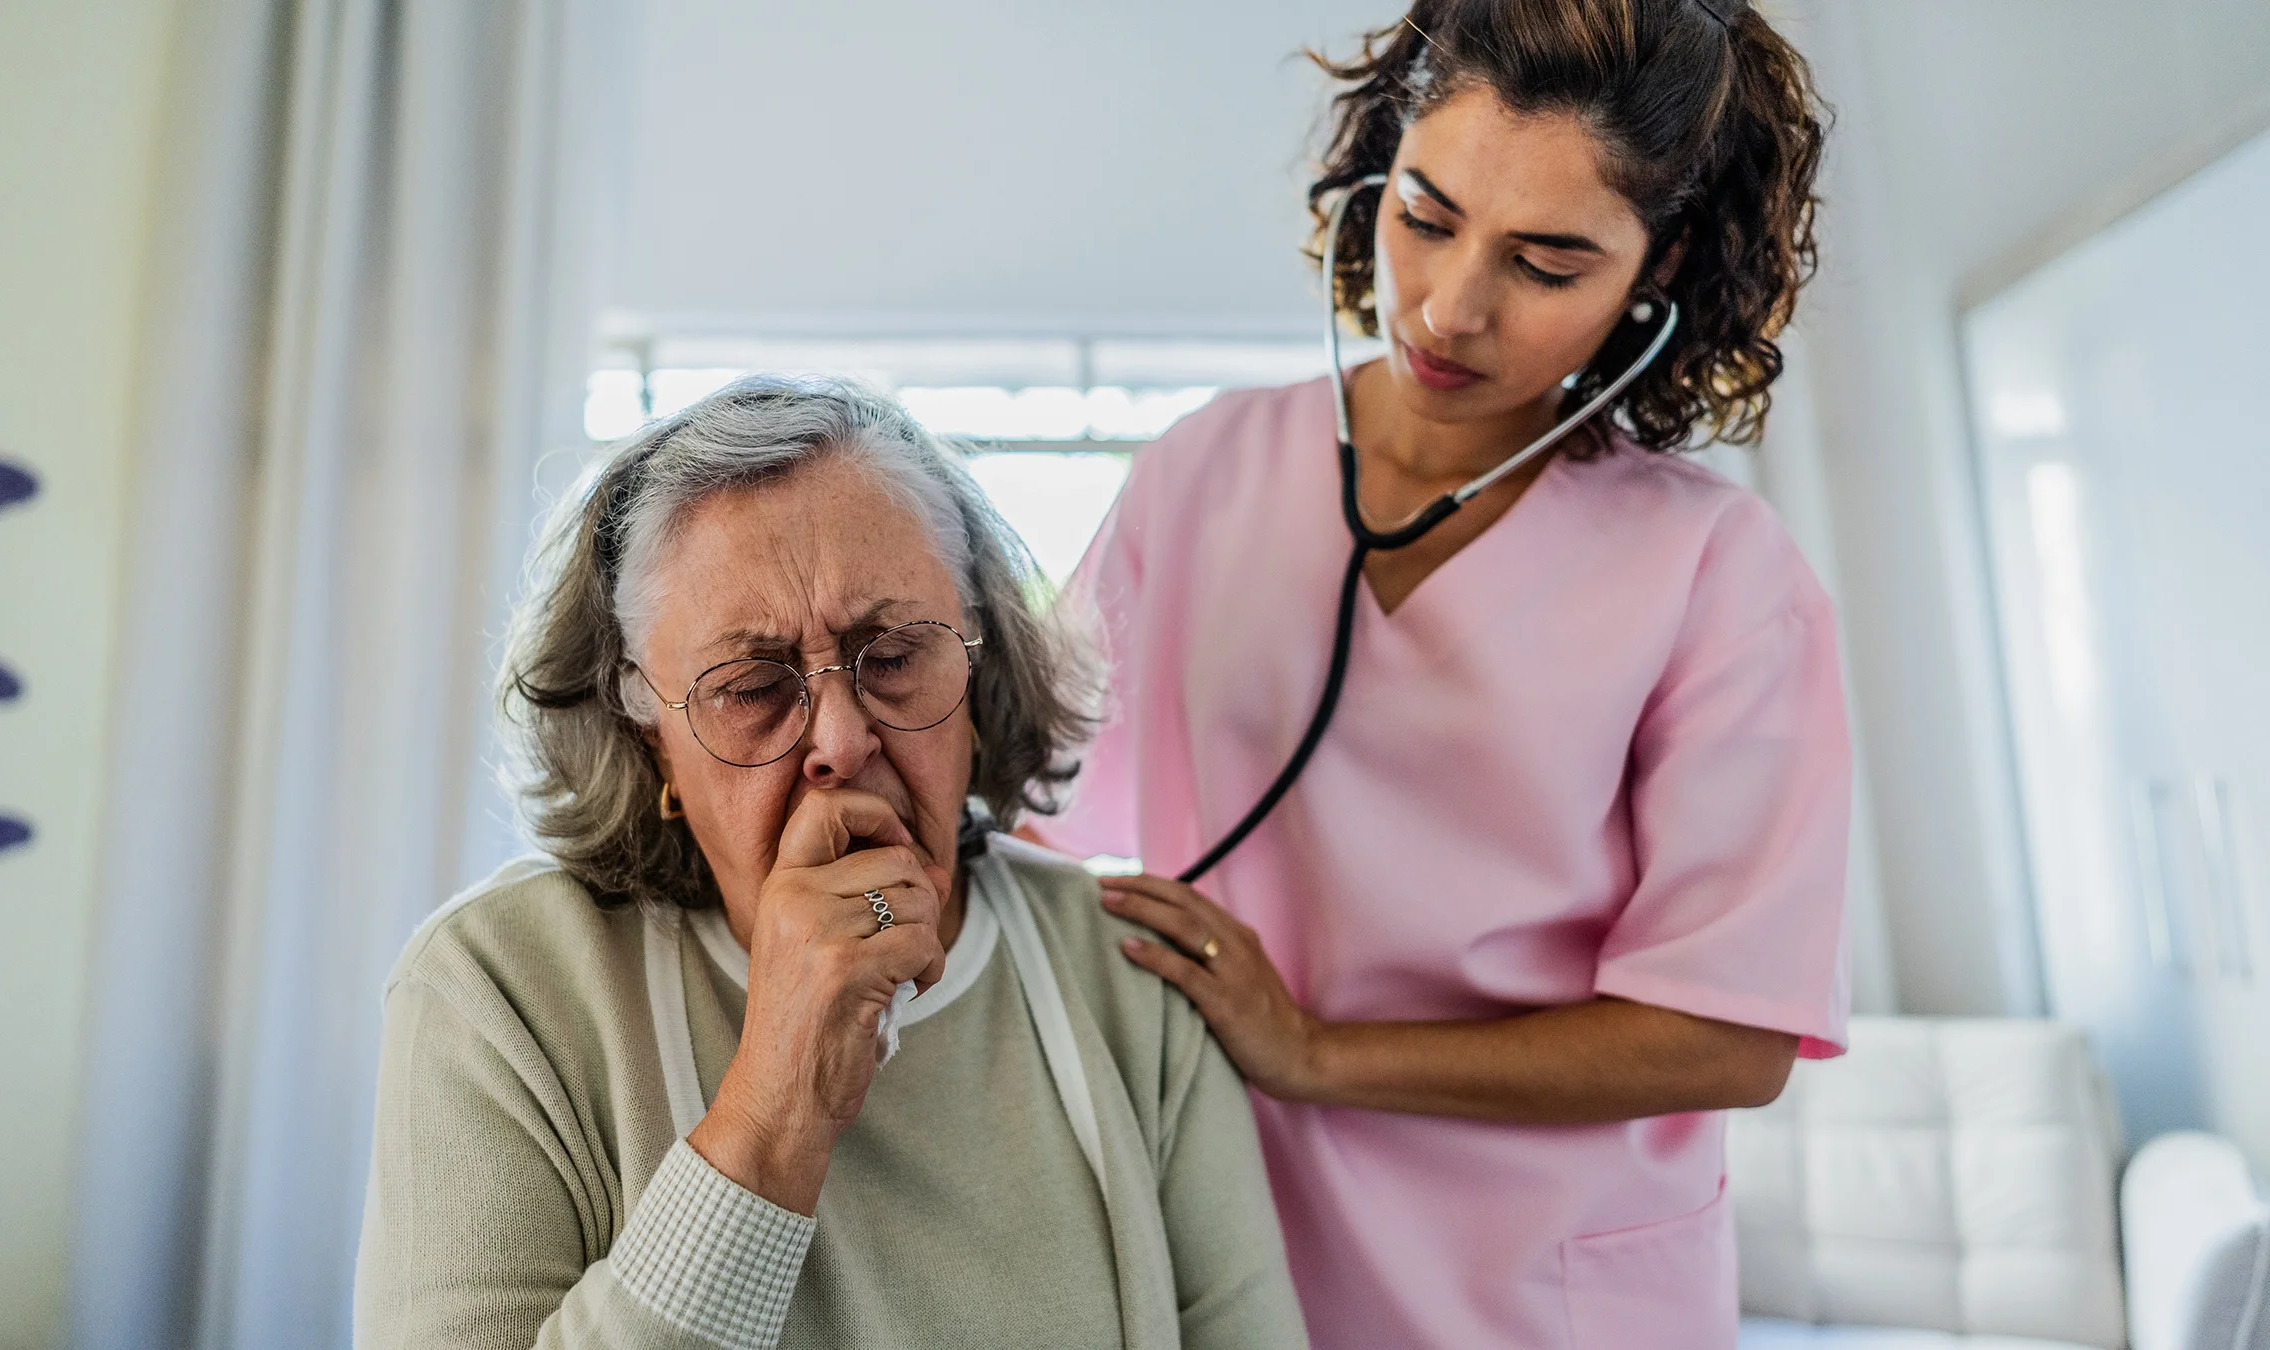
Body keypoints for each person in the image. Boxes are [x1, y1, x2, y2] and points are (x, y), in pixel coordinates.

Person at [1033, 2, 1848, 1346]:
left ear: (1661, 270)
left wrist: (1312, 1051)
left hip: (1550, 1292)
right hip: (1235, 1253)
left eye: (1547, 262)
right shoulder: (1201, 475)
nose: (1452, 305)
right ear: (1375, 169)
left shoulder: (1720, 574)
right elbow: (1027, 819)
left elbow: (1729, 1033)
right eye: (1425, 213)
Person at [353, 376, 1307, 1350]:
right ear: (650, 741)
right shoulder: (497, 991)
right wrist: (778, 1110)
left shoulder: (1130, 976)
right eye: (754, 686)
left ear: (980, 674)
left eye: (893, 656)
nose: (842, 741)